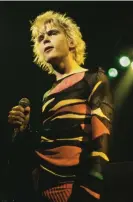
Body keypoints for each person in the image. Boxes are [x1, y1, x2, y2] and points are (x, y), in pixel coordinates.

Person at [8, 10, 113, 202]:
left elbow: (101, 138)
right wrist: (25, 131)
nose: (45, 39)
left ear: (71, 41)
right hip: (40, 185)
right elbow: (50, 140)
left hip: (72, 188)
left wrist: (90, 192)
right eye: (40, 38)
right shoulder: (48, 94)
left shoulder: (94, 78)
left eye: (52, 33)